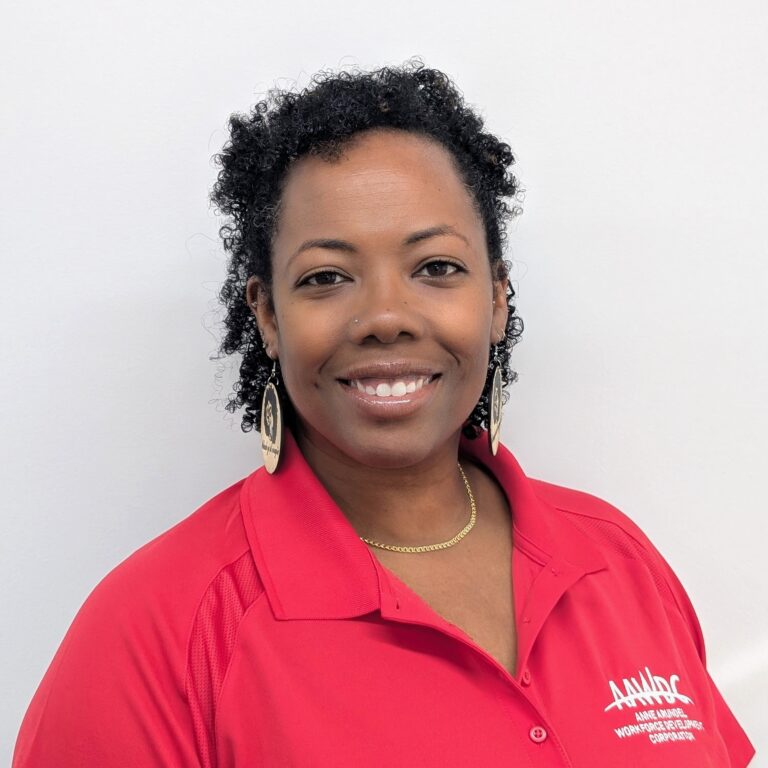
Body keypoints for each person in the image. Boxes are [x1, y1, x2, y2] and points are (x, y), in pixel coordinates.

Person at [13, 60, 755, 767]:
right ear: (267, 315)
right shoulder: (158, 629)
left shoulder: (618, 560)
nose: (385, 318)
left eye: (437, 267)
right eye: (326, 277)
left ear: (497, 297)